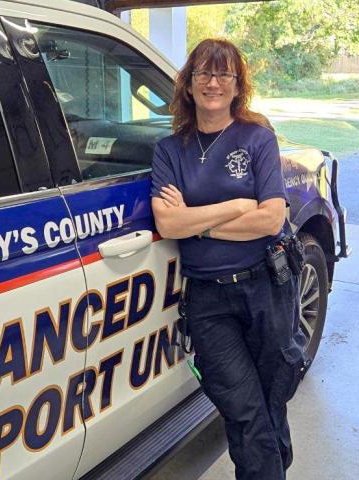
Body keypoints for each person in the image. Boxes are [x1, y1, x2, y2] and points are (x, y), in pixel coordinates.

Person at [151, 38, 306, 480]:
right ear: (188, 84)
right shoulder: (170, 150)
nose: (213, 82)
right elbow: (167, 222)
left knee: (269, 400)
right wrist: (237, 206)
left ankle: (271, 467)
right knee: (244, 408)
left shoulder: (257, 137)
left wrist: (195, 221)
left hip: (266, 289)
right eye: (203, 73)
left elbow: (271, 218)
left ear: (238, 86)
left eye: (223, 74)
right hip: (209, 302)